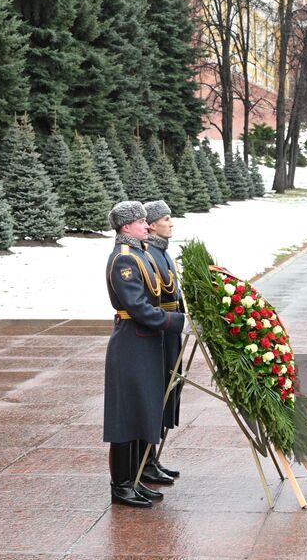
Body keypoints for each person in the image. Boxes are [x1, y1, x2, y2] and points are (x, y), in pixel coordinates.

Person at [103, 200, 185, 508]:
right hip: (132, 342)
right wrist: (177, 322)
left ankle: (135, 478)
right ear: (127, 227)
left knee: (142, 411)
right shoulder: (124, 259)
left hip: (146, 341)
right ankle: (121, 485)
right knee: (126, 417)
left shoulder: (140, 253)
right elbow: (137, 307)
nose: (146, 226)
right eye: (141, 223)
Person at [142, 200, 183, 482]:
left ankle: (152, 459)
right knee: (158, 394)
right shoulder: (150, 253)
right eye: (166, 218)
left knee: (168, 392)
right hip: (161, 332)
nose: (171, 223)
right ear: (153, 224)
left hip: (170, 332)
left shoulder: (163, 251)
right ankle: (146, 461)